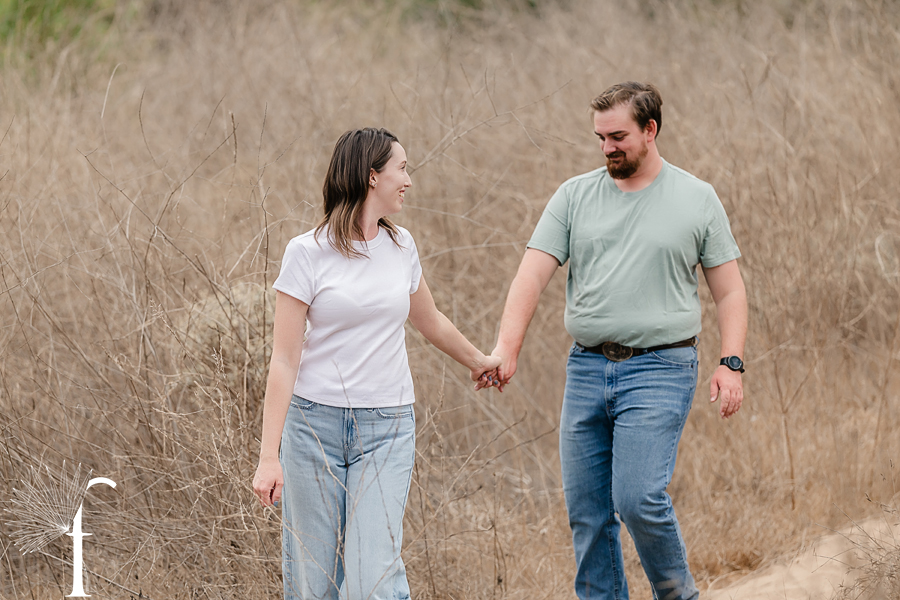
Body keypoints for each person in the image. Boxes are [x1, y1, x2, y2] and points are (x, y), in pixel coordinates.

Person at [487, 82, 748, 600]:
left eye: (618, 136)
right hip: (586, 368)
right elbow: (530, 277)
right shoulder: (574, 195)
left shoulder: (696, 198)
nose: (607, 147)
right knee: (586, 512)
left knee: (637, 498)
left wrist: (731, 363)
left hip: (661, 368)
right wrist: (506, 349)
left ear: (650, 131)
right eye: (600, 137)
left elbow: (730, 289)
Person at [252, 127, 501, 600]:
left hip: (386, 429)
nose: (409, 179)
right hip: (312, 432)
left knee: (374, 580)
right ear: (371, 176)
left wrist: (479, 361)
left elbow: (430, 321)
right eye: (401, 168)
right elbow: (284, 360)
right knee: (313, 580)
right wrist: (269, 457)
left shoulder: (401, 246)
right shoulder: (306, 253)